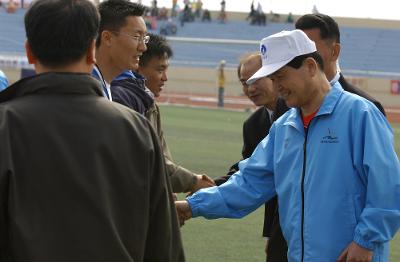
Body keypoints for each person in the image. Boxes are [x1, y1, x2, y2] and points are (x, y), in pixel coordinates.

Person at [176, 30, 400, 261]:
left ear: (311, 66)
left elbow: (387, 187)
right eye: (272, 79)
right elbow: (248, 183)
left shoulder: (360, 115)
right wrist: (191, 206)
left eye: (281, 76)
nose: (277, 86)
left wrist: (365, 241)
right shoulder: (283, 127)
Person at [0, 0, 184, 261]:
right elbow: (163, 244)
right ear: (91, 50)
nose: (143, 46)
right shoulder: (137, 130)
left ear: (30, 52)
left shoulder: (5, 125)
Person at [112, 33, 215, 194]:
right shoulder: (121, 99)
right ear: (137, 66)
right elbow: (146, 162)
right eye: (160, 70)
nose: (165, 78)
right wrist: (193, 181)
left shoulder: (150, 103)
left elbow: (161, 158)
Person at [213, 53, 289, 262]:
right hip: (280, 227)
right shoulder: (253, 125)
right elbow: (248, 172)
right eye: (244, 82)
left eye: (256, 79)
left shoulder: (299, 113)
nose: (250, 88)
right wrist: (208, 185)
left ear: (274, 76)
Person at [295, 13, 386, 115]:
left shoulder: (367, 108)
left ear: (334, 52)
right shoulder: (285, 104)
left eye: (310, 49)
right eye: (298, 50)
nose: (301, 57)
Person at [93, 0, 148, 100]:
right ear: (107, 38)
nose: (143, 47)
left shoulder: (103, 85)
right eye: (136, 37)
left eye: (144, 38)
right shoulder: (88, 91)